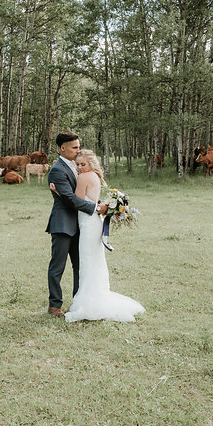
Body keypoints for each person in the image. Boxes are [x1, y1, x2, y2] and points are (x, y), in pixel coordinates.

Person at [50, 149, 145, 323]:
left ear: (91, 163)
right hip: (93, 223)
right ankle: (91, 298)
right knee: (92, 262)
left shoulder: (83, 177)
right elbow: (91, 201)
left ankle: (88, 303)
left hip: (87, 224)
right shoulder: (94, 176)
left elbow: (75, 201)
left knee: (87, 262)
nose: (79, 167)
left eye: (83, 164)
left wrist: (58, 193)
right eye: (77, 164)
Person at [46, 132, 108, 317]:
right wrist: (96, 208)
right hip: (63, 224)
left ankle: (79, 301)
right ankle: (54, 305)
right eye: (75, 147)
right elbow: (69, 199)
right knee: (58, 266)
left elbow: (84, 192)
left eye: (79, 146)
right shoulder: (57, 170)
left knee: (79, 265)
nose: (78, 150)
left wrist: (99, 203)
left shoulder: (77, 167)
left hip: (82, 224)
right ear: (62, 148)